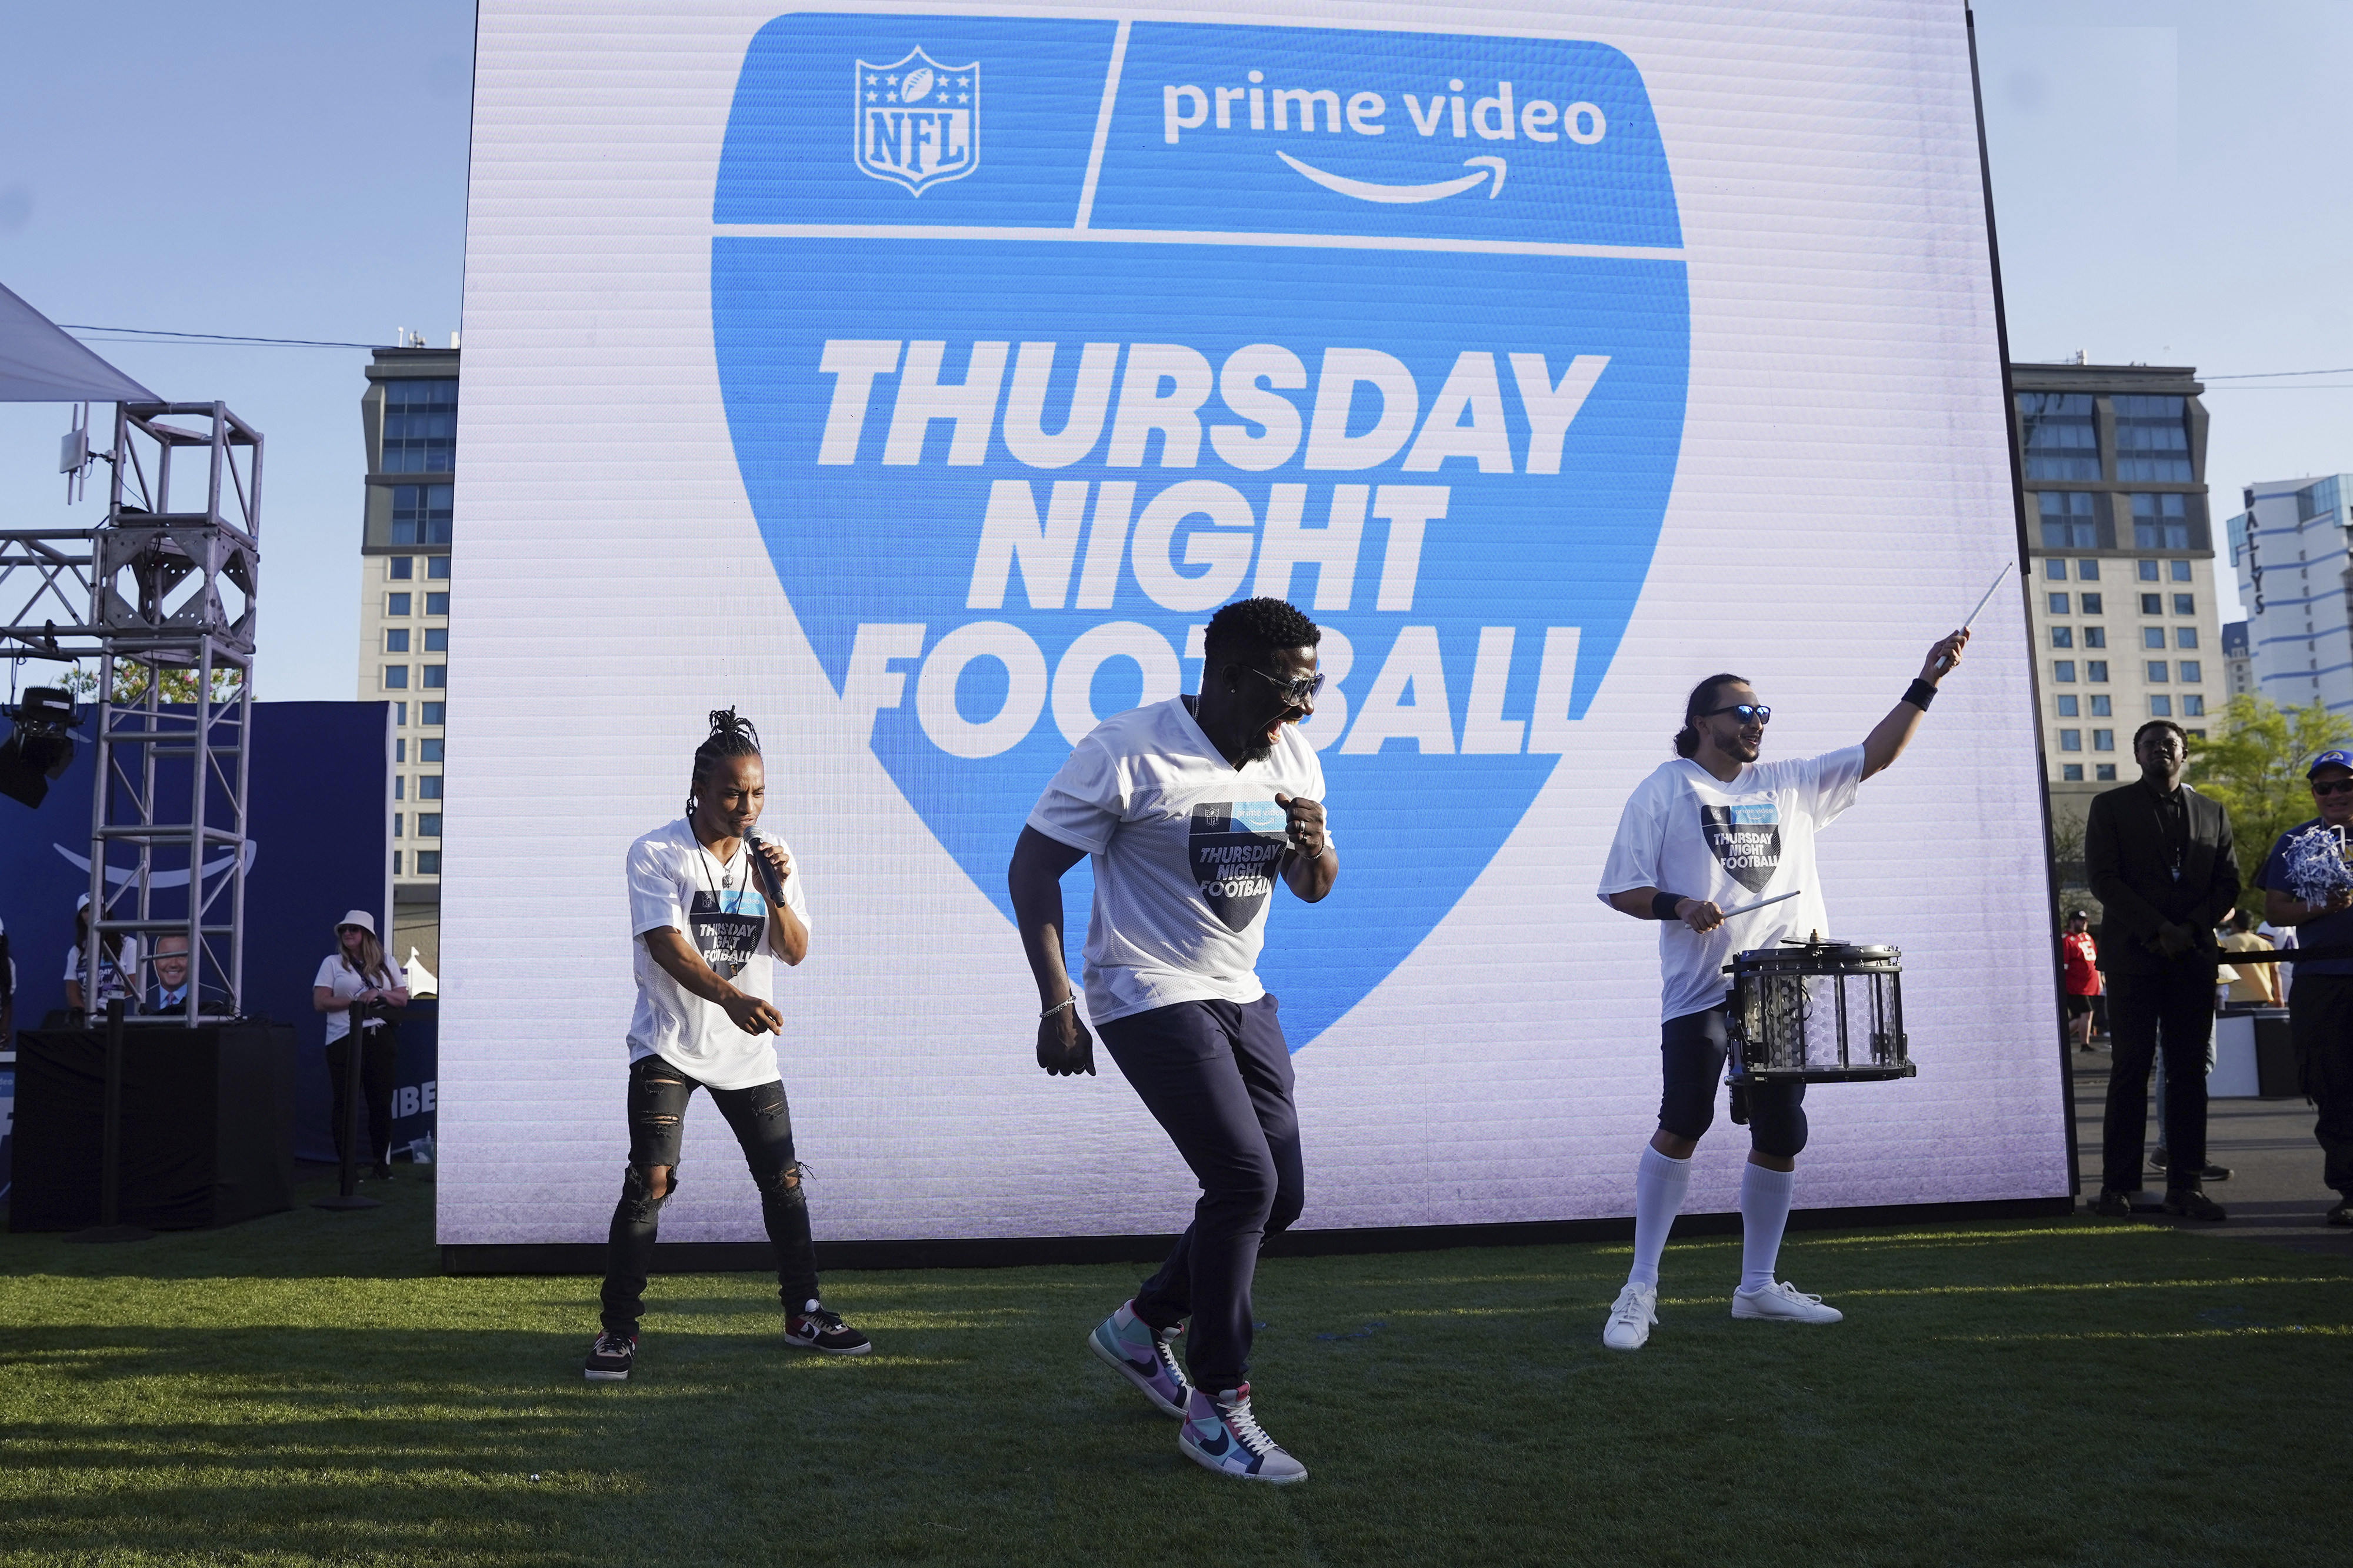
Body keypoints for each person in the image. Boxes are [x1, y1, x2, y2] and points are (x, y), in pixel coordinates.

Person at [1009, 596, 1335, 1486]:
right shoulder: (1128, 748)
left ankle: (1141, 1323)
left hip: (1241, 991)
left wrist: (1314, 848)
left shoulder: (1293, 755)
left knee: (1282, 1196)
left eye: (1314, 687)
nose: (1304, 707)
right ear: (1227, 674)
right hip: (1144, 991)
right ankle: (1217, 1406)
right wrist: (1056, 1001)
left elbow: (1314, 886)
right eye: (1290, 686)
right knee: (1243, 1180)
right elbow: (1033, 864)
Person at [1593, 632, 1970, 1353]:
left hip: (1779, 985)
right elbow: (1622, 889)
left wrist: (1927, 679)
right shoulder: (1664, 788)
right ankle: (1639, 1287)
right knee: (1684, 1119)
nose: (1756, 721)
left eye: (1762, 710)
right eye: (1741, 711)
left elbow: (1878, 753)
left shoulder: (1792, 782)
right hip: (1701, 989)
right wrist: (1679, 905)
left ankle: (1757, 1288)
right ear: (1702, 722)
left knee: (1779, 1132)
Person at [585, 708, 868, 1383]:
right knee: (650, 1180)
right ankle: (618, 1330)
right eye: (733, 792)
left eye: (758, 793)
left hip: (748, 1054)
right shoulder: (655, 852)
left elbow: (795, 951)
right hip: (669, 1044)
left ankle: (804, 1311)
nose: (747, 806)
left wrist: (774, 890)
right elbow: (666, 945)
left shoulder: (773, 857)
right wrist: (731, 996)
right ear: (699, 787)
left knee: (785, 1181)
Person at [2083, 720, 2237, 1222]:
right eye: (2149, 745)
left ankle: (2186, 1186)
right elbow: (2103, 879)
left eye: (2169, 745)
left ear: (2185, 753)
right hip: (2134, 957)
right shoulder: (2110, 807)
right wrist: (2157, 930)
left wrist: (2189, 928)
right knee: (2131, 1068)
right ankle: (2118, 1187)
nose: (2160, 752)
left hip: (2192, 958)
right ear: (2136, 755)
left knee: (2190, 1074)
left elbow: (2228, 883)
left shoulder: (2213, 812)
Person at [2254, 748, 2353, 1229]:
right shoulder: (2298, 841)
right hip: (2322, 978)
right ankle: (2351, 1189)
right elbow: (2275, 910)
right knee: (2331, 1085)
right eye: (2324, 787)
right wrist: (2327, 907)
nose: (2334, 794)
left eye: (2345, 784)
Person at [314, 910, 409, 1179]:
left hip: (380, 1037)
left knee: (381, 1102)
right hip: (343, 1037)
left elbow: (402, 1000)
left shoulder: (385, 962)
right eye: (344, 930)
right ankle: (347, 1167)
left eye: (353, 930)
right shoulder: (332, 963)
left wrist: (378, 993)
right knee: (345, 1103)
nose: (347, 934)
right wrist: (357, 1002)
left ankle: (381, 1163)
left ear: (366, 934)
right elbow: (321, 1002)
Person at [64, 893, 140, 1022]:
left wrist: (110, 1013)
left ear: (107, 913)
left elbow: (134, 989)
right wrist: (89, 1015)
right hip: (87, 1019)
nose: (93, 914)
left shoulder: (130, 946)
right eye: (87, 910)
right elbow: (72, 994)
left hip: (120, 1018)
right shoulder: (76, 951)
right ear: (81, 917)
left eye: (98, 908)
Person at [2218, 910, 2277, 1010]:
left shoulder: (2224, 943)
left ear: (2234, 924)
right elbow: (2275, 971)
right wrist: (2279, 996)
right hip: (2263, 995)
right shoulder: (2264, 943)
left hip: (2237, 997)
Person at [2061, 909, 2102, 1052]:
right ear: (2072, 922)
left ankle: (2060, 1038)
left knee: (2081, 1016)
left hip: (2090, 984)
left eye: (2085, 921)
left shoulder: (2087, 937)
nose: (2084, 923)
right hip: (2075, 985)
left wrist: (2100, 979)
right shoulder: (2066, 939)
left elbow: (2094, 960)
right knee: (2086, 1013)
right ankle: (2084, 1044)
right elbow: (2063, 966)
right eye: (2081, 920)